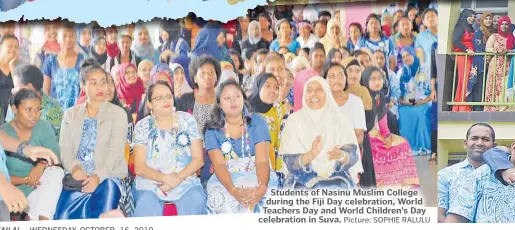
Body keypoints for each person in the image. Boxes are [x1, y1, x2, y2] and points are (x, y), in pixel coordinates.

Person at [54, 63, 128, 219]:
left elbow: (115, 151)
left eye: (103, 82)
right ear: (82, 85)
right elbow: (64, 149)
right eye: (93, 83)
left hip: (107, 177)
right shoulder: (70, 115)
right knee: (62, 217)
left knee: (103, 213)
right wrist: (75, 169)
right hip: (77, 180)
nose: (100, 87)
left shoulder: (117, 114)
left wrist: (97, 176)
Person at [131, 81, 206, 215]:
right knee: (146, 204)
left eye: (168, 96)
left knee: (196, 199)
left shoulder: (187, 120)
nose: (165, 100)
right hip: (151, 182)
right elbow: (139, 167)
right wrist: (165, 178)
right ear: (149, 103)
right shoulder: (143, 126)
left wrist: (176, 179)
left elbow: (198, 160)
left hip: (185, 180)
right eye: (158, 98)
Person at [279, 76, 359, 189]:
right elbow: (290, 162)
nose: (314, 94)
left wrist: (341, 155)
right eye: (309, 90)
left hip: (337, 179)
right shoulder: (294, 120)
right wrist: (312, 153)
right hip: (302, 180)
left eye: (319, 89)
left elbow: (353, 155)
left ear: (327, 93)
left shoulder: (340, 120)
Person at [204, 79, 271, 212]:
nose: (233, 101)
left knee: (267, 200)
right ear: (219, 104)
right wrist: (233, 191)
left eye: (237, 96)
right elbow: (219, 165)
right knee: (221, 200)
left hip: (258, 174)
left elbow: (262, 160)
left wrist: (261, 188)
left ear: (244, 99)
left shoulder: (257, 121)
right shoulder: (212, 129)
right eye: (227, 98)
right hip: (226, 179)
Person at [2, 87, 63, 219]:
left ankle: (38, 219)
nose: (34, 115)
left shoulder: (44, 126)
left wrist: (40, 165)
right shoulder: (3, 134)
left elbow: (57, 157)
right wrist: (27, 180)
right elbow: (0, 176)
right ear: (15, 109)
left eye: (37, 110)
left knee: (56, 173)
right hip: (18, 190)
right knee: (44, 204)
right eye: (28, 110)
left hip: (44, 184)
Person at [438, 123, 497, 220]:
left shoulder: (501, 176)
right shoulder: (445, 175)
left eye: (485, 139)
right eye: (474, 138)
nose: (479, 143)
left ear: (494, 146)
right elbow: (439, 215)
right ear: (465, 144)